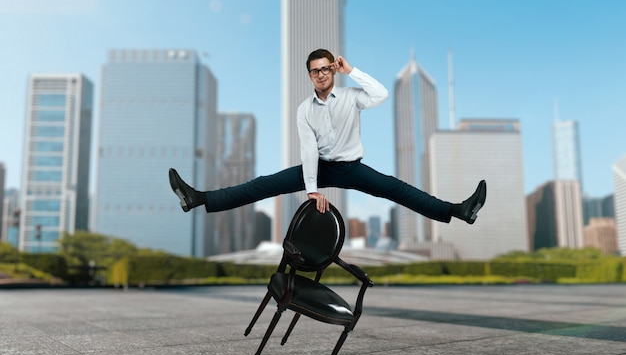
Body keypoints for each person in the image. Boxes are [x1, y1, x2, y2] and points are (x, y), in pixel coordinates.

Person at [169, 49, 486, 224]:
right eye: (314, 70)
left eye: (325, 68)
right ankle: (197, 199)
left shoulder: (351, 96)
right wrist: (312, 190)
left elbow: (382, 94)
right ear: (309, 75)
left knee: (397, 189)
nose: (320, 74)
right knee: (262, 185)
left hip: (352, 168)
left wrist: (353, 71)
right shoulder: (304, 109)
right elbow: (308, 150)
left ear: (333, 71)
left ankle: (458, 211)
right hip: (318, 167)